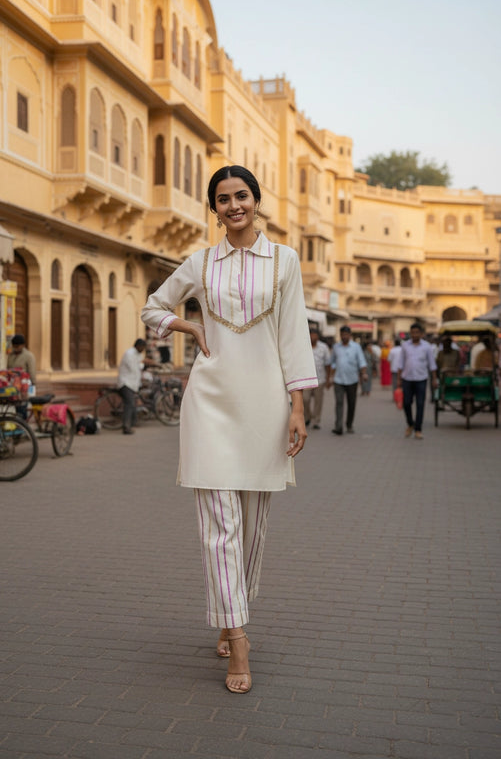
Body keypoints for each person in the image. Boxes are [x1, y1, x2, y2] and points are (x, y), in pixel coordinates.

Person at [141, 165, 317, 695]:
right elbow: (152, 306)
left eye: (242, 195)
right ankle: (239, 639)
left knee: (252, 530)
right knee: (220, 526)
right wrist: (187, 324)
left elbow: (293, 337)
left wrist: (297, 408)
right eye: (223, 199)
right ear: (214, 209)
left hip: (265, 405)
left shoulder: (285, 261)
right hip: (210, 404)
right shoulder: (199, 263)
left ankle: (229, 611)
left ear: (256, 201)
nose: (234, 205)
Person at [397, 323, 438, 439]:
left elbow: (432, 365)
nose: (414, 335)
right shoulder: (405, 346)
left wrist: (434, 379)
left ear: (421, 334)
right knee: (406, 403)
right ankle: (410, 423)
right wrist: (399, 379)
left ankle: (418, 429)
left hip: (421, 379)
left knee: (420, 404)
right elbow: (401, 363)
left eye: (416, 332)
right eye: (412, 332)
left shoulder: (427, 347)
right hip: (407, 379)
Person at [327, 325, 368, 434]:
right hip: (338, 380)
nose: (344, 336)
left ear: (350, 335)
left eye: (346, 334)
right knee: (339, 403)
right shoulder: (336, 347)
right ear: (340, 335)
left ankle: (349, 424)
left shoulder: (356, 347)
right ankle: (338, 426)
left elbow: (362, 361)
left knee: (351, 403)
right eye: (342, 334)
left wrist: (363, 374)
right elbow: (332, 362)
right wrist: (330, 378)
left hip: (352, 380)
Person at [303, 326, 331, 428]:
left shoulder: (323, 347)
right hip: (306, 379)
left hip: (320, 379)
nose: (312, 337)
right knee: (305, 399)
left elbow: (328, 364)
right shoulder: (303, 346)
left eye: (314, 335)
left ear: (318, 337)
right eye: (311, 335)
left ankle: (316, 420)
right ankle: (308, 416)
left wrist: (328, 379)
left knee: (318, 401)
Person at [117, 338, 146, 434]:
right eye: (142, 347)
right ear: (138, 346)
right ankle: (126, 426)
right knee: (129, 404)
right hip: (126, 383)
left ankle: (132, 423)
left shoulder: (138, 354)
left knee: (133, 403)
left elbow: (140, 365)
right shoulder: (129, 354)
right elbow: (134, 368)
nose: (143, 350)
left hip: (132, 383)